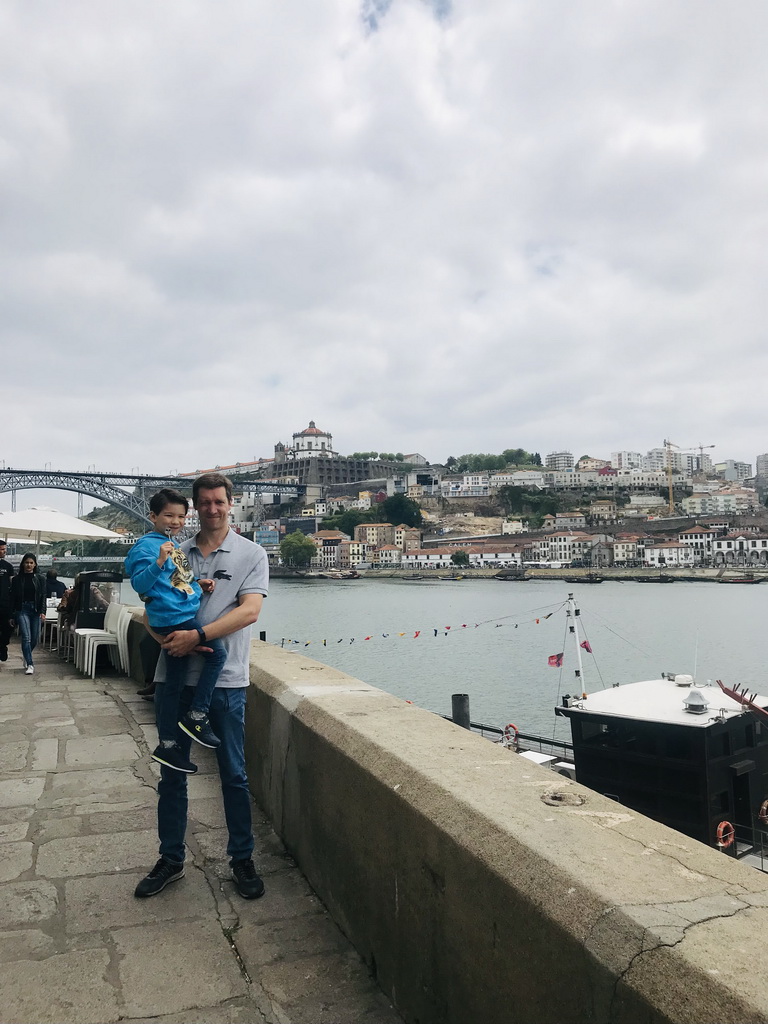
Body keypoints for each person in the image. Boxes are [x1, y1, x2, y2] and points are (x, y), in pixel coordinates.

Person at [134, 472, 268, 901]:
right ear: (193, 508)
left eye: (219, 502)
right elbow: (150, 604)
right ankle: (171, 859)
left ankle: (241, 858)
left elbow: (249, 612)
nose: (212, 508)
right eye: (204, 502)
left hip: (224, 682)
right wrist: (164, 639)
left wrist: (199, 636)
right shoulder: (171, 548)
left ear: (231, 504)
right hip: (172, 673)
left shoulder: (252, 553)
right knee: (171, 773)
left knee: (234, 773)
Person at [125, 488, 227, 774]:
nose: (176, 521)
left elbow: (177, 582)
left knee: (174, 682)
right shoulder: (148, 547)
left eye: (181, 516)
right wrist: (158, 560)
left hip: (176, 614)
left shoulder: (170, 543)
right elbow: (141, 585)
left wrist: (199, 585)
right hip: (175, 618)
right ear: (153, 516)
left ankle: (168, 745)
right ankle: (197, 715)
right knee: (217, 656)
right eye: (169, 515)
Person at [10, 552, 46, 675]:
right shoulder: (16, 579)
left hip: (35, 610)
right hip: (22, 609)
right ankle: (30, 664)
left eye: (31, 563)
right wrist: (12, 615)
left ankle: (27, 655)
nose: (29, 565)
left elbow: (43, 596)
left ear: (35, 564)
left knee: (35, 638)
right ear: (23, 564)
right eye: (26, 563)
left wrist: (43, 611)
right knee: (27, 637)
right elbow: (13, 598)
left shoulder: (40, 579)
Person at [0, 540, 15, 663]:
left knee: (7, 628)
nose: (4, 551)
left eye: (5, 549)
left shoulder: (8, 567)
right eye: (2, 549)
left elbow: (12, 584)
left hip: (5, 602)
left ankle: (3, 644)